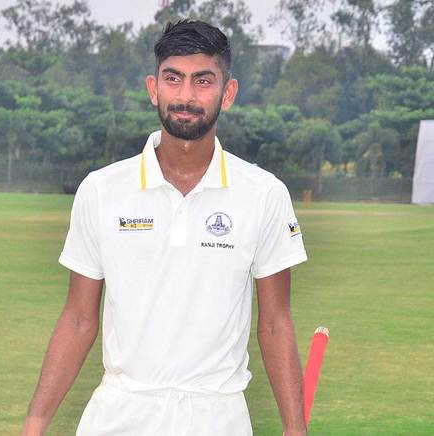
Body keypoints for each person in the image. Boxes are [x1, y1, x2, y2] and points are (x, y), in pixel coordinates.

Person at [22, 20, 308, 436]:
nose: (186, 96)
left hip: (217, 415)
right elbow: (79, 320)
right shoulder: (101, 190)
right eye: (173, 79)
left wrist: (295, 429)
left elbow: (275, 323)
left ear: (227, 94)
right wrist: (34, 423)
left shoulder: (264, 194)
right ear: (154, 88)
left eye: (203, 81)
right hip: (119, 413)